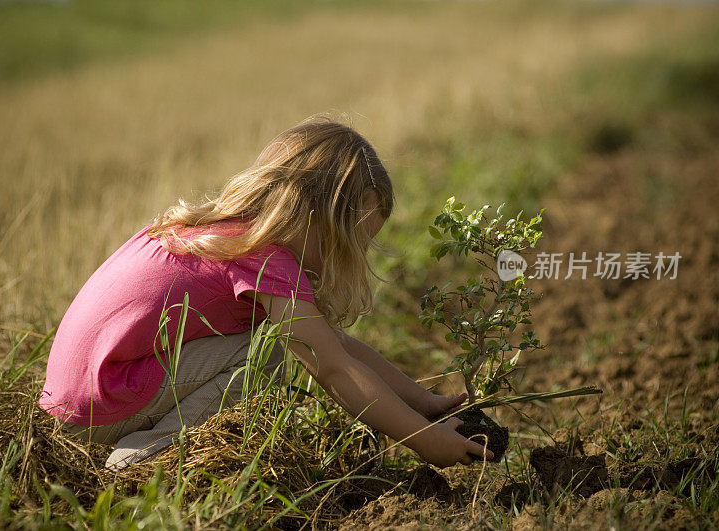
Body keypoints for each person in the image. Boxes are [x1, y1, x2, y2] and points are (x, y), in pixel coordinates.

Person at [39, 115, 493, 470]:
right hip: (98, 407)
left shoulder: (226, 235)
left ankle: (137, 443)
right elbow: (334, 368)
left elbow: (335, 346)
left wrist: (423, 402)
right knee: (272, 353)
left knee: (282, 343)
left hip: (71, 400)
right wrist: (425, 440)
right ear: (314, 217)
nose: (349, 259)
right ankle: (138, 459)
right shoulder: (267, 260)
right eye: (348, 243)